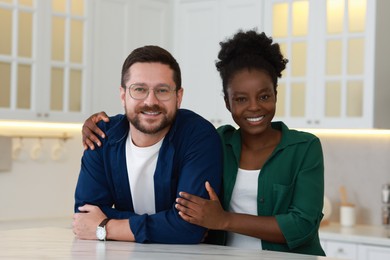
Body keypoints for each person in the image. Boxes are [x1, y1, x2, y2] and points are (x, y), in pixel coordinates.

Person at [82, 30, 325, 256]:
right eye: (241, 98)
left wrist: (224, 220)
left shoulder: (304, 148)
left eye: (264, 96)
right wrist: (96, 124)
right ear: (227, 103)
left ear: (275, 94)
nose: (254, 107)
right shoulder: (217, 141)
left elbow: (302, 225)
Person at [73, 45, 223, 244]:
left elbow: (190, 227)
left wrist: (105, 227)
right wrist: (169, 226)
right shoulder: (101, 135)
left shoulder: (198, 136)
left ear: (178, 97)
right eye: (139, 89)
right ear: (123, 95)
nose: (150, 101)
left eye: (162, 90)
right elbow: (84, 216)